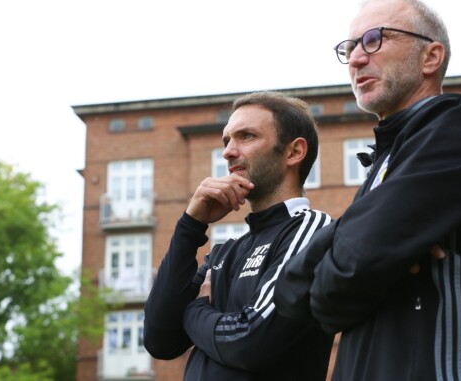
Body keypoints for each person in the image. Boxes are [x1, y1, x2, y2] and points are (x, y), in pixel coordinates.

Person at [273, 0, 461, 380]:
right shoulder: (384, 164)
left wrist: (357, 253)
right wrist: (361, 242)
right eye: (349, 47)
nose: (356, 58)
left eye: (374, 39)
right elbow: (291, 294)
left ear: (431, 57)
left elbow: (352, 268)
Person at [143, 91, 333, 381]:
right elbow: (160, 340)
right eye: (227, 140)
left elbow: (252, 342)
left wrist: (195, 309)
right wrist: (189, 226)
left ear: (294, 152)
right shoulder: (225, 253)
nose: (228, 151)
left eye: (246, 136)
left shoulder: (311, 230)